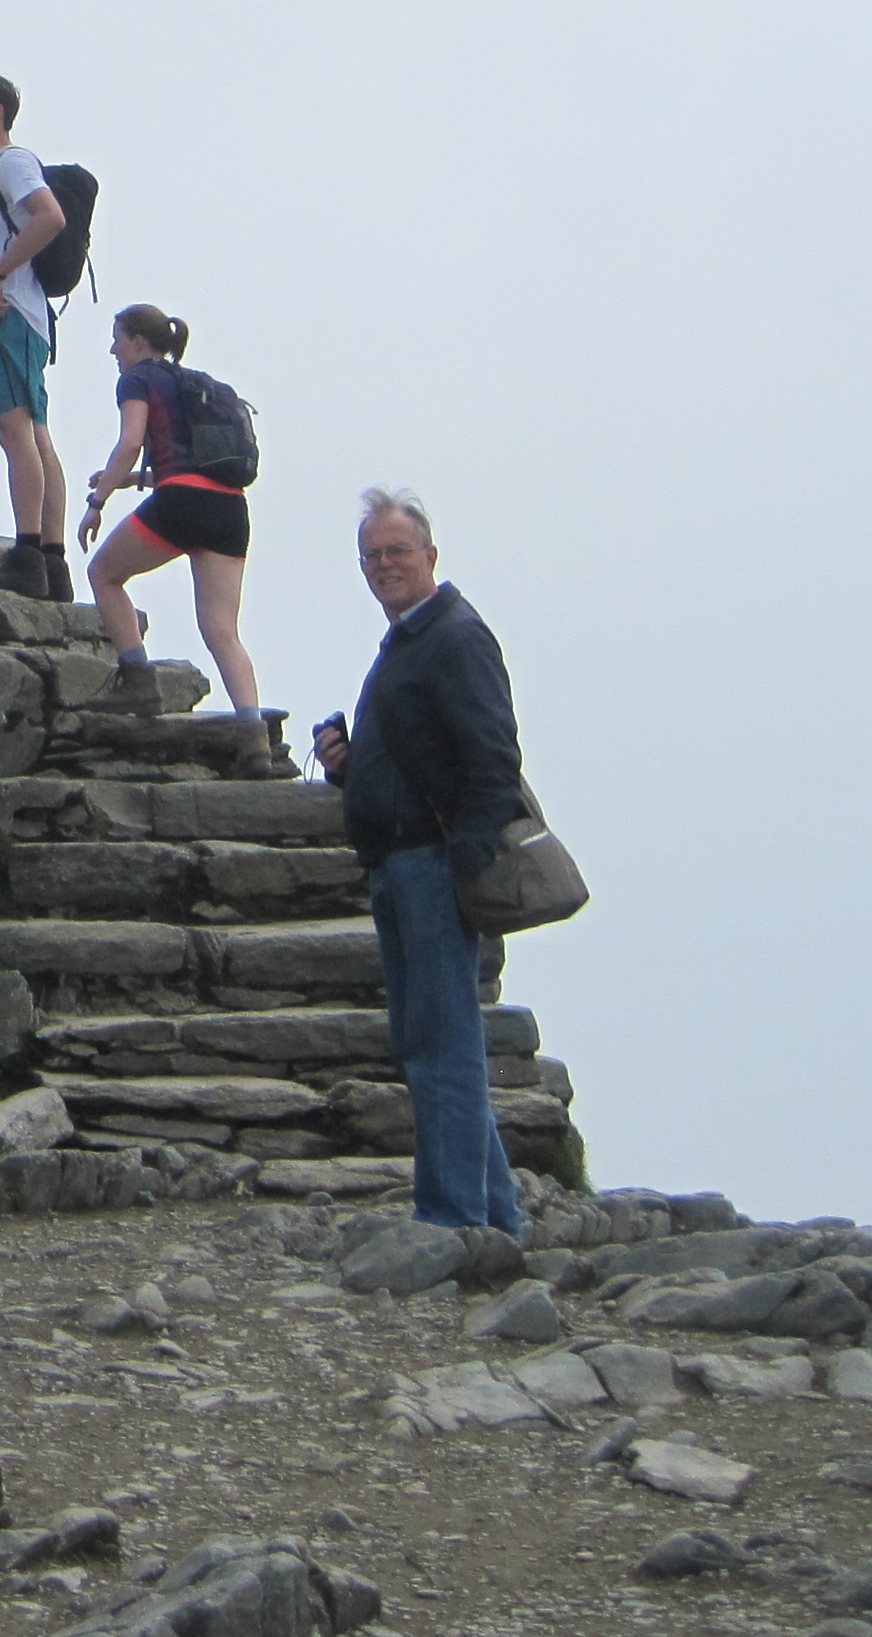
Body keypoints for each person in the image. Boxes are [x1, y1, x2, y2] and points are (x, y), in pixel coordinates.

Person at [313, 489, 528, 1237]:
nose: (382, 565)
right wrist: (348, 769)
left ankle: (450, 1223)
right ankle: (494, 1222)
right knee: (431, 1044)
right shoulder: (409, 643)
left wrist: (462, 864)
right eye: (371, 555)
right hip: (400, 864)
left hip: (431, 868)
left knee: (441, 1048)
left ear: (430, 556)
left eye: (396, 551)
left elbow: (495, 763)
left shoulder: (455, 638)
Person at [80, 304, 265, 717]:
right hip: (230, 509)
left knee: (103, 574)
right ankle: (254, 735)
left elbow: (130, 444)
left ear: (138, 342)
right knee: (222, 632)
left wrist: (97, 503)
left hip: (182, 504)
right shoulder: (193, 383)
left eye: (118, 340)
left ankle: (138, 685)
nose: (113, 350)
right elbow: (188, 464)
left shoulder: (137, 379)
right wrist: (126, 481)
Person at [0, 72, 69, 600]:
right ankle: (52, 561)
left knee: (16, 432)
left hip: (9, 315)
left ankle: (29, 555)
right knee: (34, 431)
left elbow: (50, 217)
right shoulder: (2, 169)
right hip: (21, 317)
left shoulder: (12, 162)